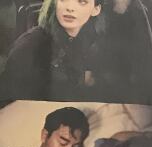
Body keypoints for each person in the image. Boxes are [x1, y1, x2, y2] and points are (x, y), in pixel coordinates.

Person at [0, 0, 133, 103]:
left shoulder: (96, 43)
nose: (70, 7)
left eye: (82, 1)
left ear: (96, 9)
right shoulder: (30, 44)